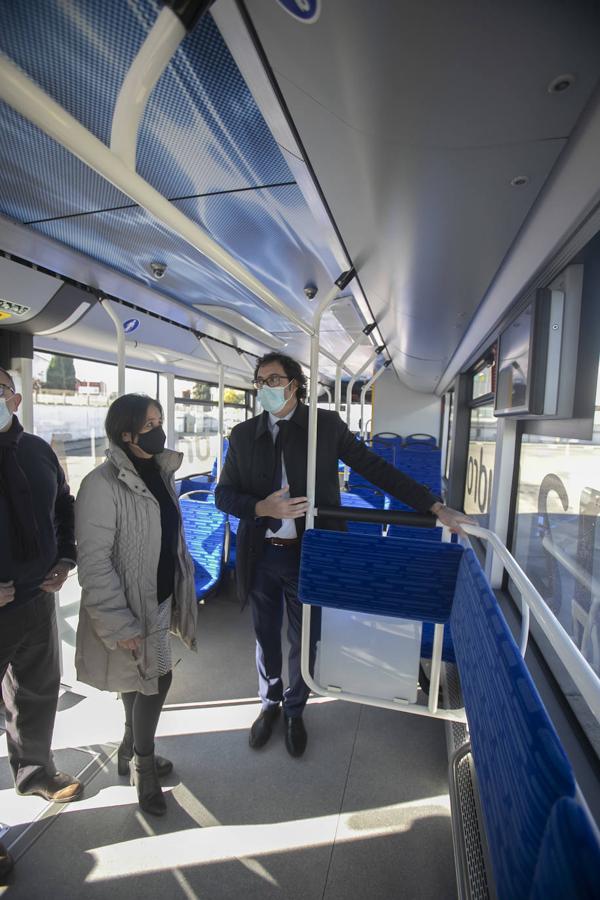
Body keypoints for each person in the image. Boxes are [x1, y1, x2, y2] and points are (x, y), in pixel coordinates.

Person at [215, 352, 472, 758]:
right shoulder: (244, 435)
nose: (265, 387)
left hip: (310, 552)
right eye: (259, 381)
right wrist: (263, 508)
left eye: (274, 379)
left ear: (295, 384)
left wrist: (435, 506)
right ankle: (269, 704)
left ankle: (296, 709)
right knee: (265, 635)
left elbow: (376, 468)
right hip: (260, 552)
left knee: (305, 636)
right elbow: (223, 495)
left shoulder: (325, 427)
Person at [75, 394, 197, 817]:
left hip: (158, 597)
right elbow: (93, 562)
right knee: (154, 681)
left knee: (139, 678)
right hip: (130, 607)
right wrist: (118, 621)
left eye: (160, 421)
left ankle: (130, 747)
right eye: (149, 424)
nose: (158, 429)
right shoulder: (101, 484)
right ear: (125, 434)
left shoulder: (161, 473)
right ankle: (143, 768)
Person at [0, 366, 82, 810]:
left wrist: (66, 558)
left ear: (15, 400)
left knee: (37, 689)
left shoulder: (38, 451)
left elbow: (63, 507)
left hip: (36, 600)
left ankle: (35, 772)